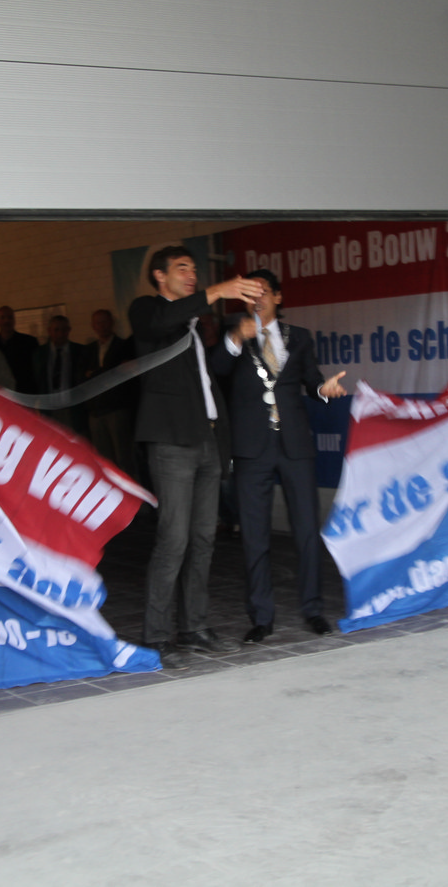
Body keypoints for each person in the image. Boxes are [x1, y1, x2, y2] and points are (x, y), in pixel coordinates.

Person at [130, 246, 267, 668]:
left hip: (206, 439)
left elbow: (205, 381)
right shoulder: (147, 311)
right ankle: (156, 636)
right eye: (182, 268)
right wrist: (218, 290)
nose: (191, 274)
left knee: (204, 538)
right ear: (159, 276)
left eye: (194, 268)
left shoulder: (192, 327)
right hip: (172, 442)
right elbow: (162, 320)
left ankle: (194, 627)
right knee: (173, 539)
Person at [211, 268, 347, 642]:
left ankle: (313, 609)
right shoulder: (234, 336)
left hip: (294, 446)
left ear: (278, 297)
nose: (257, 299)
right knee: (255, 535)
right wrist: (236, 337)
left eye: (263, 292)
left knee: (306, 531)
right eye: (250, 294)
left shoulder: (298, 337)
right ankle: (261, 616)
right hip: (252, 447)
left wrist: (324, 391)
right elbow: (216, 369)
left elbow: (312, 381)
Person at [85, 309, 138, 481]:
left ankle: (132, 492)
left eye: (104, 322)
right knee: (104, 460)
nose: (102, 326)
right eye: (98, 323)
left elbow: (122, 374)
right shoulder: (89, 350)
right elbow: (82, 377)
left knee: (124, 457)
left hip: (117, 409)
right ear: (93, 326)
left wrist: (95, 374)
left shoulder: (123, 346)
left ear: (112, 323)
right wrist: (107, 372)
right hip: (96, 410)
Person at [31, 314, 90, 434]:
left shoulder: (80, 351)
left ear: (69, 331)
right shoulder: (39, 354)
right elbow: (37, 380)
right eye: (56, 330)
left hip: (72, 407)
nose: (60, 334)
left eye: (64, 330)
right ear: (49, 331)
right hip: (49, 407)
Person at [0, 305, 39, 393]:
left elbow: (36, 372)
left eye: (10, 317)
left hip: (23, 393)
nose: (7, 321)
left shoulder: (29, 342)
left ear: (14, 320)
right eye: (3, 317)